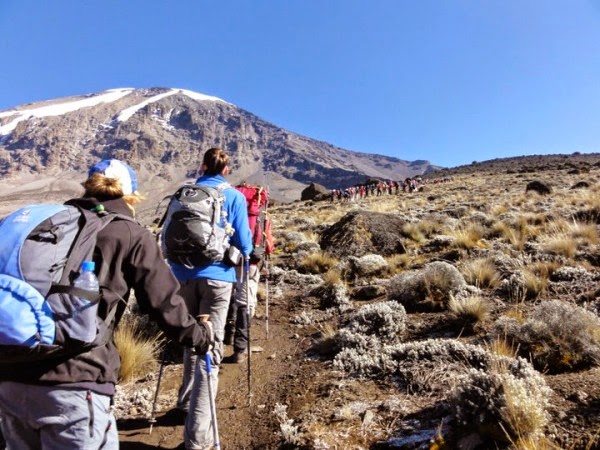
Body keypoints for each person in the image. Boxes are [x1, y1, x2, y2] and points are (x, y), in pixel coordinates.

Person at [0, 159, 214, 450]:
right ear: (131, 196)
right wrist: (198, 336)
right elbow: (162, 302)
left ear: (88, 187)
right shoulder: (130, 234)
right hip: (77, 381)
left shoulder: (49, 225)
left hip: (11, 377)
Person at [167, 148, 252, 450]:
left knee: (192, 341)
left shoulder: (183, 193)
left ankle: (186, 402)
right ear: (226, 169)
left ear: (201, 166)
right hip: (218, 279)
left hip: (181, 276)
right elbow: (244, 242)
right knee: (210, 355)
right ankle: (198, 439)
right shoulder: (234, 197)